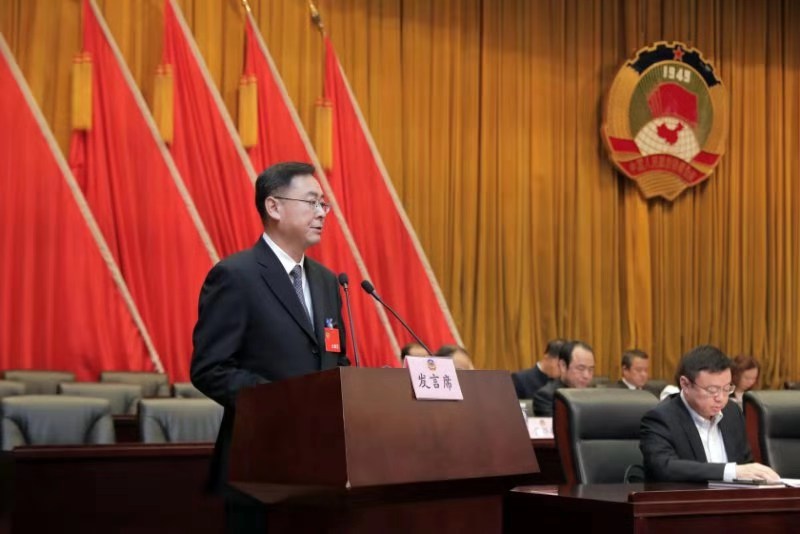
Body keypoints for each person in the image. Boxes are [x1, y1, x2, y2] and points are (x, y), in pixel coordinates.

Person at [190, 162, 350, 533]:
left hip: (322, 466)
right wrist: (281, 402)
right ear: (274, 207)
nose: (321, 213)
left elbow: (334, 358)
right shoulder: (236, 275)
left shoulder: (327, 281)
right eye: (311, 202)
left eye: (323, 204)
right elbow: (210, 369)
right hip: (259, 465)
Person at [640, 345, 779, 483]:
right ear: (685, 384)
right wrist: (730, 471)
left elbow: (745, 463)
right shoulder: (661, 418)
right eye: (712, 390)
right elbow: (664, 467)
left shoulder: (732, 412)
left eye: (727, 388)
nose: (721, 398)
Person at [533, 340, 594, 416]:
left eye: (590, 369)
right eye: (580, 368)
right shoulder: (547, 396)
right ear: (563, 366)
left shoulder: (594, 395)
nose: (586, 375)